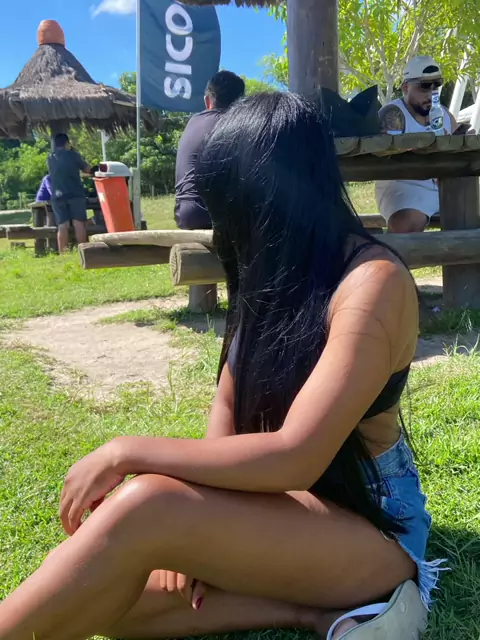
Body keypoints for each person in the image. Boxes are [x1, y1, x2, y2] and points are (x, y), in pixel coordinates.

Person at [0, 93, 441, 640]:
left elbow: (296, 456)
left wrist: (125, 452)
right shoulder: (273, 272)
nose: (220, 228)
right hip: (286, 514)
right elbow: (226, 415)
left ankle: (366, 594)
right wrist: (201, 525)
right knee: (101, 581)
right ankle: (312, 611)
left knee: (144, 510)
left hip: (376, 530)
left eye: (224, 209)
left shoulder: (372, 284)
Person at [376, 56, 458, 233]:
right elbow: (384, 156)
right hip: (404, 185)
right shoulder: (392, 114)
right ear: (406, 87)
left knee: (468, 216)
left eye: (436, 85)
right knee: (408, 222)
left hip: (443, 187)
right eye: (424, 86)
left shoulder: (444, 114)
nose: (431, 92)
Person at [174, 70, 245, 230]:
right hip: (216, 219)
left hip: (186, 215)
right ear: (241, 104)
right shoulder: (238, 126)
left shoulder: (193, 122)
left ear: (208, 101)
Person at [47, 133, 91, 252]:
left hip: (57, 195)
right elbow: (87, 169)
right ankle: (84, 251)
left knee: (62, 225)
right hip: (75, 193)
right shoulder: (73, 155)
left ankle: (63, 253)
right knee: (79, 223)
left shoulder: (50, 158)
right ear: (67, 143)